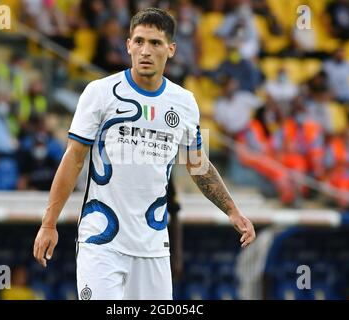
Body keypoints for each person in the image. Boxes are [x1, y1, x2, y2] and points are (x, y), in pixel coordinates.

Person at [33, 7, 256, 300]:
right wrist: (49, 223)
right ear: (128, 46)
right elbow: (73, 159)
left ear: (171, 49)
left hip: (153, 247)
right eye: (138, 41)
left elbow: (198, 165)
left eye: (155, 43)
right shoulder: (99, 93)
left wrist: (233, 211)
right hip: (102, 240)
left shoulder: (185, 102)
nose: (145, 50)